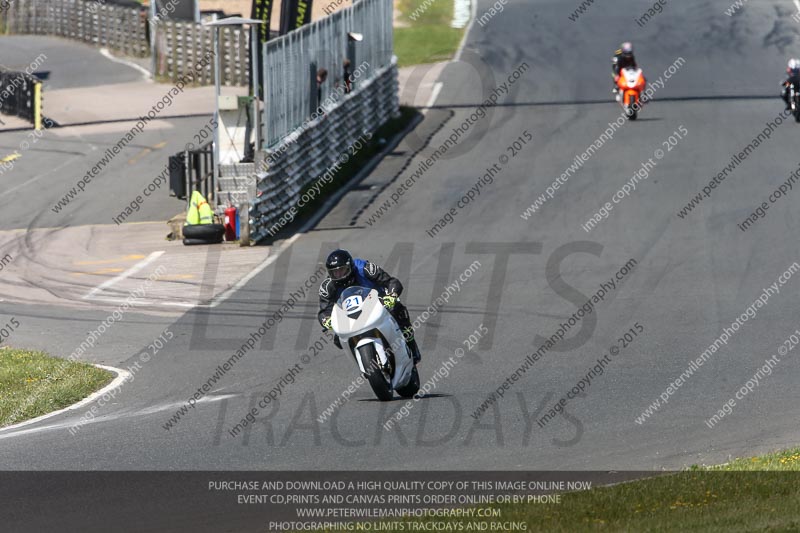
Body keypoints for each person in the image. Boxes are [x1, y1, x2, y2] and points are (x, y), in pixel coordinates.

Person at [318, 249, 422, 364]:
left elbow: (391, 281)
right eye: (334, 273)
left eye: (342, 271)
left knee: (397, 310)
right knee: (338, 340)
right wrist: (326, 320)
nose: (338, 275)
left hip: (379, 302)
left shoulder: (364, 268)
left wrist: (391, 295)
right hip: (351, 313)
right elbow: (324, 310)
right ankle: (363, 361)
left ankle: (412, 346)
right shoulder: (327, 287)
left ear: (350, 266)